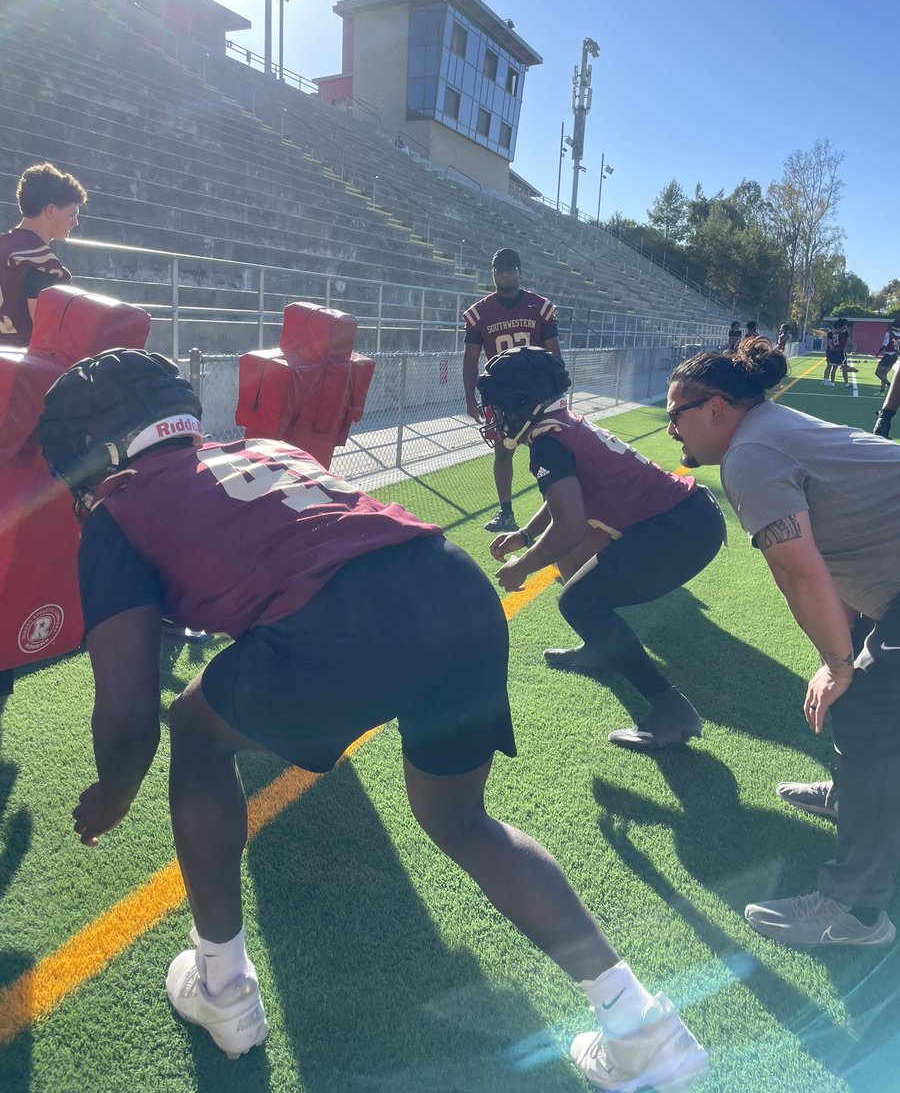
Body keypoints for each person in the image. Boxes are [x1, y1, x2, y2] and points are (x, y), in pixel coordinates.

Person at [38, 348, 709, 1089]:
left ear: (96, 453)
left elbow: (128, 711)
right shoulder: (260, 447)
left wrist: (111, 795)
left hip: (344, 620)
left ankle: (223, 989)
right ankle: (642, 1028)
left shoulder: (121, 509)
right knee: (462, 820)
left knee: (194, 731)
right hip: (451, 584)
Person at [666, 337, 900, 949]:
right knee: (866, 703)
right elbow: (841, 541)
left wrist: (839, 663)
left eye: (675, 416)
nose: (671, 431)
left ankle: (857, 914)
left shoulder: (749, 456)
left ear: (715, 407)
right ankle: (854, 799)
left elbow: (800, 571)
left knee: (873, 717)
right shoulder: (769, 430)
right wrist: (845, 651)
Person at [479, 347, 726, 751]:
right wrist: (524, 534)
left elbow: (570, 523)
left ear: (523, 400)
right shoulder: (562, 423)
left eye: (499, 404)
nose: (495, 415)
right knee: (578, 579)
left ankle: (671, 710)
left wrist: (522, 566)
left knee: (578, 602)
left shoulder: (547, 441)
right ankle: (599, 648)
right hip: (688, 517)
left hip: (679, 530)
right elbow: (565, 494)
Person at [463, 248, 560, 533]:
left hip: (536, 394)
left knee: (546, 451)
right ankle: (506, 513)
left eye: (508, 268)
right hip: (502, 394)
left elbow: (555, 352)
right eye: (498, 269)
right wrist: (470, 397)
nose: (503, 273)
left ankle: (556, 510)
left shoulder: (539, 307)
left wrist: (556, 387)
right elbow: (470, 358)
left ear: (519, 271)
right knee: (503, 452)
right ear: (492, 272)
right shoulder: (480, 312)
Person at [0, 162, 86, 347]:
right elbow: (47, 340)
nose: (76, 222)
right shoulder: (42, 265)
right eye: (72, 214)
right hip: (19, 368)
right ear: (51, 210)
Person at [873, 319, 900, 394]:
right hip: (895, 356)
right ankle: (882, 390)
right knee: (884, 374)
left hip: (888, 355)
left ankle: (890, 386)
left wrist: (878, 352)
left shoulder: (889, 333)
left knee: (878, 373)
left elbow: (885, 345)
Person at [822, 318, 850, 387]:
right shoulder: (844, 332)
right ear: (844, 325)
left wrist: (833, 349)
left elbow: (829, 342)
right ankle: (846, 383)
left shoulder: (833, 332)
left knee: (834, 367)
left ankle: (832, 383)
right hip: (840, 351)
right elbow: (847, 341)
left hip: (834, 351)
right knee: (844, 367)